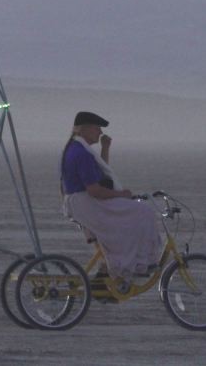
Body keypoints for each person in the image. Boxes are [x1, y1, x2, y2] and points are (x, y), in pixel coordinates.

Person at [60, 111, 160, 281]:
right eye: (97, 128)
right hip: (87, 202)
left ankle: (110, 271)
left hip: (79, 202)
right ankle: (138, 263)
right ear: (84, 129)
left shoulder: (75, 149)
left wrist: (105, 148)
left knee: (132, 218)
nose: (100, 132)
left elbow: (100, 175)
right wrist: (121, 194)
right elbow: (95, 190)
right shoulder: (82, 154)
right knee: (144, 213)